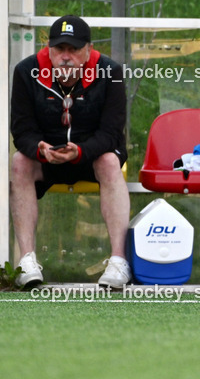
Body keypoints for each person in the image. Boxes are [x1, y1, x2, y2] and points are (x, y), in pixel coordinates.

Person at [10, 15, 131, 289]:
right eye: (59, 49)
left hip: (92, 155)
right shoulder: (26, 71)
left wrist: (81, 151)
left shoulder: (109, 71)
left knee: (111, 161)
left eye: (73, 49)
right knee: (19, 162)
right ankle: (26, 260)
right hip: (47, 157)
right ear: (49, 49)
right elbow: (22, 130)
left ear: (88, 50)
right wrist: (40, 149)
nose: (66, 57)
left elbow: (112, 133)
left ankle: (118, 260)